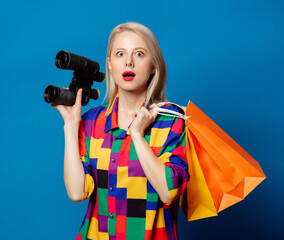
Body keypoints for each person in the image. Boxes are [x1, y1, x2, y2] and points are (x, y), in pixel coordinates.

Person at [52, 22, 189, 240]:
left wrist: (137, 134)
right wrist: (71, 125)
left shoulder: (171, 122)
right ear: (109, 64)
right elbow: (77, 192)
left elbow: (168, 191)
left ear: (153, 65)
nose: (128, 62)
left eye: (139, 54)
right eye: (120, 53)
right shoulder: (92, 122)